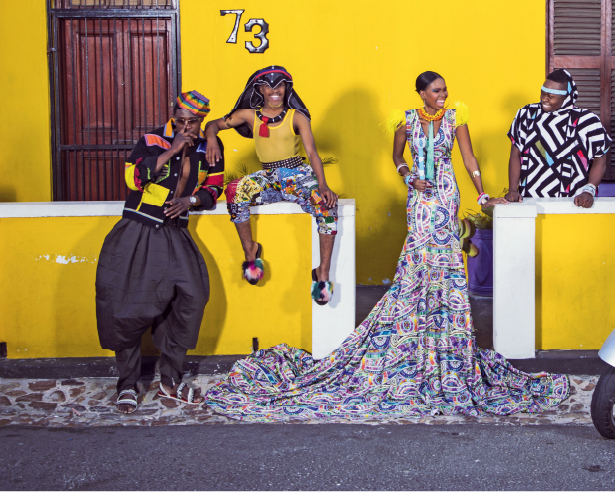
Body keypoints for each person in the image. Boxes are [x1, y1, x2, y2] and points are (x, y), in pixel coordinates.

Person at [203, 71, 570, 420]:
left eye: (444, 89)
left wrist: (483, 193)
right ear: (422, 93)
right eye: (437, 90)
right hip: (418, 199)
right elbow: (397, 158)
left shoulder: (457, 116)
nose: (443, 95)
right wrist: (409, 177)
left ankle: (448, 338)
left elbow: (469, 158)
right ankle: (412, 333)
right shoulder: (405, 120)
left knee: (447, 263)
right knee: (416, 261)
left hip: (445, 196)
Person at [95, 91, 224, 414]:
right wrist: (171, 150)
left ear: (201, 121)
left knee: (190, 298)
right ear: (172, 115)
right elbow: (132, 178)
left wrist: (190, 202)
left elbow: (215, 187)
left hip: (175, 233)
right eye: (179, 120)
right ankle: (127, 384)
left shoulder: (208, 147)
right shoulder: (153, 139)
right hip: (138, 229)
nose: (184, 126)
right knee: (127, 307)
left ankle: (170, 379)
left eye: (191, 122)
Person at [203, 66, 339, 304]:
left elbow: (313, 153)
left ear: (287, 89)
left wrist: (323, 186)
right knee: (235, 190)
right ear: (260, 89)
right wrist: (212, 139)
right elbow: (212, 125)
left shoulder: (296, 117)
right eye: (269, 86)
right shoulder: (248, 115)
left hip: (297, 175)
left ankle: (323, 273)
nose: (275, 91)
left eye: (280, 86)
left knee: (325, 206)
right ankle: (251, 252)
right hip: (268, 178)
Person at [504, 69, 611, 208]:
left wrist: (589, 191)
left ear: (566, 97)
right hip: (529, 201)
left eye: (550, 96)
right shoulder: (526, 115)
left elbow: (600, 160)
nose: (544, 99)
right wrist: (513, 189)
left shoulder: (587, 121)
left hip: (574, 202)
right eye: (543, 93)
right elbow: (515, 155)